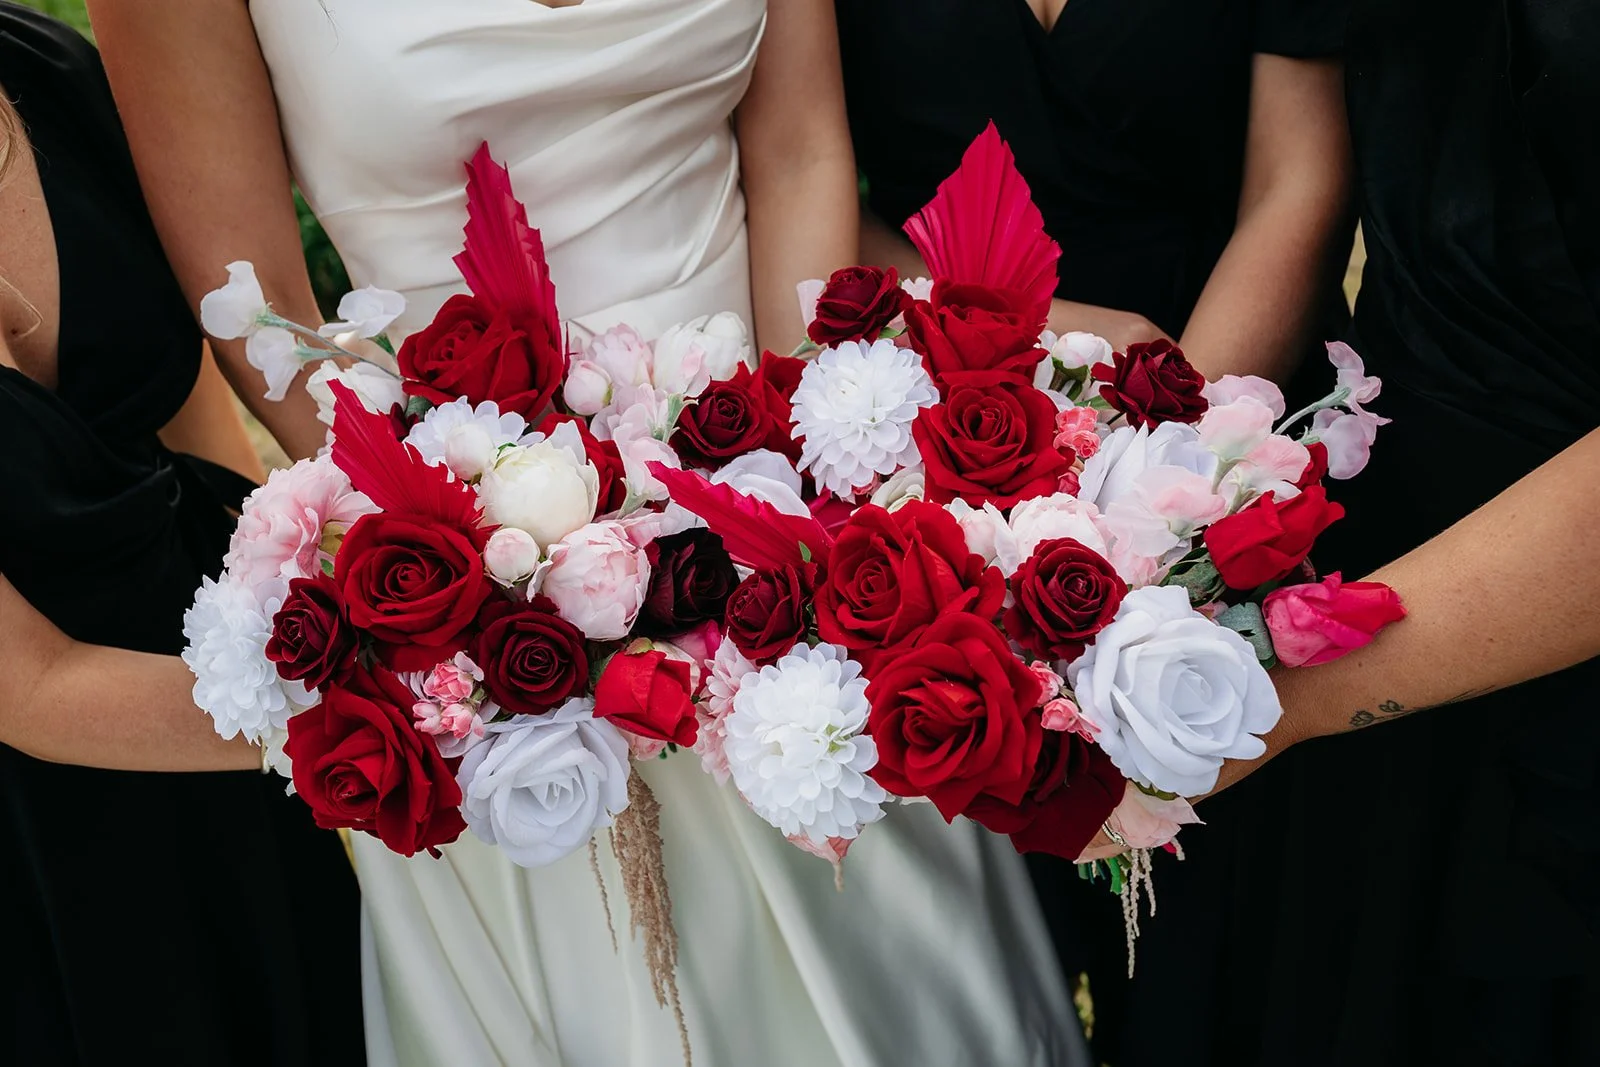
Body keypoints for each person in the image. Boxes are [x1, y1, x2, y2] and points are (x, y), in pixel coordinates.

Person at [84, 1, 1090, 1063]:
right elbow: (252, 297)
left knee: (891, 965)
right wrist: (469, 546)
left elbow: (795, 149)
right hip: (481, 592)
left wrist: (795, 474)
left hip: (777, 544)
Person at [834, 0, 1356, 1047]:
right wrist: (1049, 345)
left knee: (1237, 940)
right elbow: (809, 184)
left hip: (1242, 444)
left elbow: (1298, 182)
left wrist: (1184, 470)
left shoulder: (1219, 457)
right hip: (942, 439)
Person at [1094, 1, 1600, 1063]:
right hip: (1357, 555)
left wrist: (1267, 700)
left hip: (1483, 636)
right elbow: (1301, 173)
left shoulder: (1278, 695)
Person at [0, 4, 364, 1062]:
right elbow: (31, 686)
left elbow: (197, 423)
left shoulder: (50, 75)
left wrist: (309, 606)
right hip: (42, 844)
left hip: (225, 736)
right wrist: (369, 714)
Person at [834, 0, 1354, 379]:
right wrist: (1026, 329)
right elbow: (804, 174)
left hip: (1241, 360)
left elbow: (1295, 181)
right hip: (930, 371)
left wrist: (1186, 422)